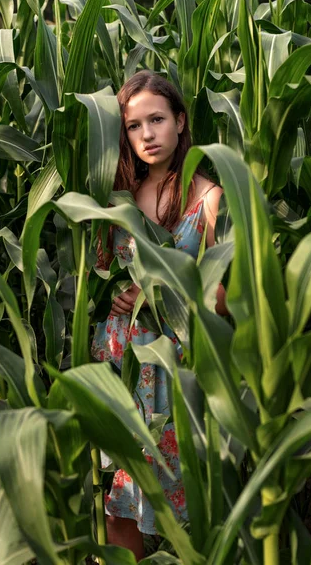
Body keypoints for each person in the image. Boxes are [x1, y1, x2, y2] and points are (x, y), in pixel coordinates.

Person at [91, 70, 227, 560]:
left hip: (179, 370)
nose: (147, 135)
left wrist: (158, 293)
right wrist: (116, 295)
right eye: (133, 126)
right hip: (122, 365)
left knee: (188, 504)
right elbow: (101, 277)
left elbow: (226, 299)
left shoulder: (210, 200)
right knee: (119, 504)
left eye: (157, 120)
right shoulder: (116, 200)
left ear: (180, 121)